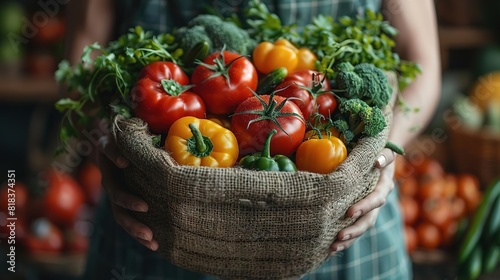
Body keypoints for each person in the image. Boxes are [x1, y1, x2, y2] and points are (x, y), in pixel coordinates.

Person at [65, 0, 441, 279]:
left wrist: (381, 159)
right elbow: (80, 60)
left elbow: (423, 65)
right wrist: (109, 144)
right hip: (157, 233)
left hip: (344, 243)